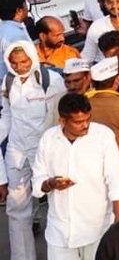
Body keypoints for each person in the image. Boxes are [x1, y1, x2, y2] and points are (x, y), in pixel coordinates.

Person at [32, 93, 119, 260]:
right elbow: (37, 182)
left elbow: (115, 178)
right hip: (60, 232)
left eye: (87, 119)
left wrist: (118, 222)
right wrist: (51, 184)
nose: (85, 126)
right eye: (78, 122)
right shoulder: (48, 139)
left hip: (97, 229)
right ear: (62, 121)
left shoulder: (103, 136)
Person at [1, 39, 67, 258]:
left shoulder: (52, 80)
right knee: (16, 208)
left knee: (57, 204)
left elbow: (60, 117)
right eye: (15, 62)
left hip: (45, 150)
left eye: (24, 61)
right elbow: (8, 115)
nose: (20, 66)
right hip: (17, 151)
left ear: (32, 57)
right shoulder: (8, 81)